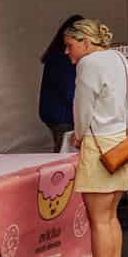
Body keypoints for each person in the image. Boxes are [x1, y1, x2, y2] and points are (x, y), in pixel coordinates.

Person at [63, 18, 128, 257]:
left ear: (85, 42)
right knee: (111, 217)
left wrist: (79, 135)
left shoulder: (89, 64)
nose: (67, 52)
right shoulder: (119, 57)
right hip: (124, 139)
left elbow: (82, 106)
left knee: (98, 221)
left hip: (100, 143)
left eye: (70, 46)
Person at [39, 14, 85, 153]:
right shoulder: (64, 58)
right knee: (65, 154)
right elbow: (69, 91)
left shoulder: (56, 55)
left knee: (62, 150)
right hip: (62, 116)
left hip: (56, 114)